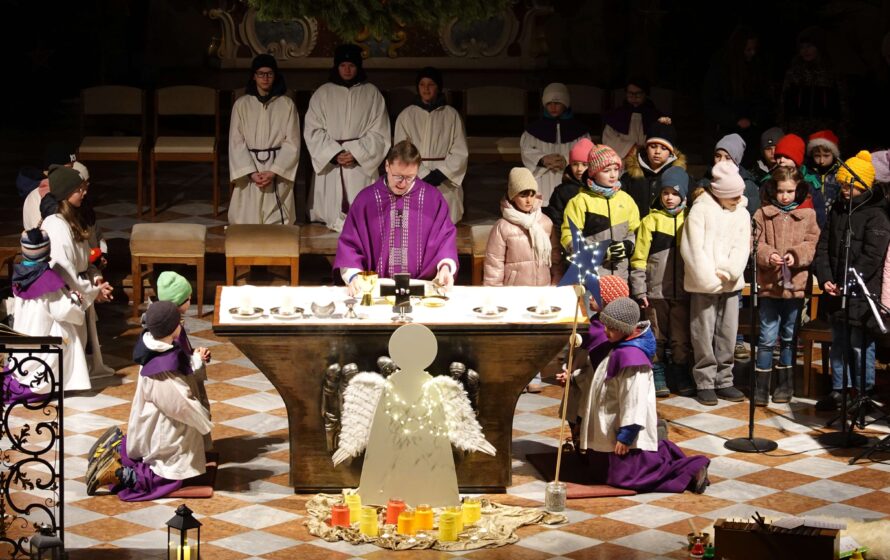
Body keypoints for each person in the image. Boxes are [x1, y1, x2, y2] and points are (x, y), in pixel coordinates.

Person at [572, 297, 710, 493]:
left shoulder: (632, 359)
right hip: (609, 426)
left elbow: (634, 401)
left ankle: (692, 469)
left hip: (622, 432)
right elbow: (600, 378)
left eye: (611, 327)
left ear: (625, 329)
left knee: (629, 478)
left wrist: (627, 435)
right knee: (600, 473)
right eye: (606, 325)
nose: (606, 331)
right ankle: (665, 452)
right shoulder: (618, 346)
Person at [86, 301, 212, 499]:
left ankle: (118, 447)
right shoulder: (162, 368)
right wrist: (203, 420)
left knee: (154, 454)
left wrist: (196, 359)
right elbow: (179, 405)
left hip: (159, 418)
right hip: (168, 429)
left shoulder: (157, 346)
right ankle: (117, 473)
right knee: (166, 475)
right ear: (173, 327)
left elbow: (180, 365)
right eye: (179, 321)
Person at [814, 151, 889, 411]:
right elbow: (823, 246)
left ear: (863, 185)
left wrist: (847, 282)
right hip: (836, 290)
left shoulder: (877, 215)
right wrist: (826, 278)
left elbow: (872, 256)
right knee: (839, 343)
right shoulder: (838, 209)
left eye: (849, 185)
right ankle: (839, 389)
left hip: (862, 291)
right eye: (842, 185)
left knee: (860, 345)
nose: (844, 190)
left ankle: (863, 393)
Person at [334, 140, 457, 293]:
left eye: (410, 177)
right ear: (387, 166)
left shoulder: (433, 199)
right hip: (376, 288)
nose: (403, 184)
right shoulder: (366, 200)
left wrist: (445, 268)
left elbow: (445, 240)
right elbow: (350, 244)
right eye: (398, 176)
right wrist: (353, 276)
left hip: (422, 288)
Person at [680, 161, 750, 406]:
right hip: (704, 284)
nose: (738, 199)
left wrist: (730, 271)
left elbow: (742, 247)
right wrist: (709, 279)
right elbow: (692, 248)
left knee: (728, 333)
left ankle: (724, 380)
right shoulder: (700, 210)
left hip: (730, 283)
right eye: (733, 195)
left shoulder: (742, 212)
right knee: (702, 333)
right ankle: (705, 382)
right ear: (719, 192)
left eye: (739, 194)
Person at [40, 165, 115, 387]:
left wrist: (97, 279)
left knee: (78, 343)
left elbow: (84, 260)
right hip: (64, 294)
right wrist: (93, 291)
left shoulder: (72, 219)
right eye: (78, 189)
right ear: (65, 193)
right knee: (68, 347)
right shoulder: (56, 225)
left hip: (80, 288)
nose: (84, 192)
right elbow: (64, 270)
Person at [305, 44, 391, 232]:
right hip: (332, 165)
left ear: (358, 67)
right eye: (343, 65)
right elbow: (313, 130)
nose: (347, 70)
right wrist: (334, 154)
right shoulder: (322, 93)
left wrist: (356, 153)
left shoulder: (372, 93)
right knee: (329, 216)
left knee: (364, 220)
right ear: (336, 66)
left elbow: (380, 133)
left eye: (351, 65)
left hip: (359, 164)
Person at [752, 167, 819, 406]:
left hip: (794, 286)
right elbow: (755, 242)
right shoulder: (762, 214)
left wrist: (795, 255)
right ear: (773, 190)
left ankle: (785, 385)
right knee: (767, 336)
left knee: (789, 336)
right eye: (781, 191)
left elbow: (812, 243)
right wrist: (768, 255)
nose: (785, 196)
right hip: (770, 285)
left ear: (798, 190)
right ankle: (761, 387)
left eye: (790, 191)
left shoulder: (807, 215)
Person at [630, 167, 695, 398]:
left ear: (683, 195)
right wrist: (640, 289)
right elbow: (639, 258)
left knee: (681, 337)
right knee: (656, 335)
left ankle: (680, 371)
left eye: (675, 193)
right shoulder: (650, 221)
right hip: (655, 291)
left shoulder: (690, 220)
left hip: (684, 291)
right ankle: (656, 371)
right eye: (665, 192)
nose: (669, 197)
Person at [6, 228, 86, 400]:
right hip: (43, 340)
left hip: (22, 337)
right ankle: (59, 383)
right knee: (66, 335)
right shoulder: (47, 279)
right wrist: (75, 300)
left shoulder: (19, 274)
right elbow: (62, 311)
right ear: (47, 251)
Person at [228, 54, 300, 225]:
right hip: (250, 166)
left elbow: (292, 142)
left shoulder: (287, 104)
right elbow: (236, 141)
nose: (265, 78)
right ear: (254, 76)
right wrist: (251, 173)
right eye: (261, 74)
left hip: (276, 165)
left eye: (269, 74)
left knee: (276, 222)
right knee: (246, 221)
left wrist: (274, 171)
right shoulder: (242, 104)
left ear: (275, 76)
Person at [393, 67, 468, 224]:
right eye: (422, 84)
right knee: (416, 222)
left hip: (444, 179)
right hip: (415, 177)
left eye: (431, 84)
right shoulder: (406, 115)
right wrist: (422, 173)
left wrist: (441, 173)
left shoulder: (451, 115)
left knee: (445, 219)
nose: (426, 89)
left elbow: (460, 150)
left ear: (438, 87)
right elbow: (402, 150)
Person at [561, 144, 640, 281]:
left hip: (621, 276)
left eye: (616, 169)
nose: (613, 175)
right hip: (590, 277)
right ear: (594, 173)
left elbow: (636, 232)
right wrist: (599, 251)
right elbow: (569, 237)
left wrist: (628, 245)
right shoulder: (580, 201)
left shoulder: (627, 200)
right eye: (606, 170)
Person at [702, 25, 774, 167]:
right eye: (748, 49)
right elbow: (711, 103)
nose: (752, 53)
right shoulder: (721, 70)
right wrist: (735, 120)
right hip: (725, 131)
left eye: (754, 49)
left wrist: (755, 119)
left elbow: (763, 99)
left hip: (750, 134)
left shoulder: (756, 68)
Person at [483, 167, 560, 287]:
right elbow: (494, 264)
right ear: (513, 196)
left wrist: (556, 283)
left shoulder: (545, 222)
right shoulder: (502, 227)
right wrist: (494, 293)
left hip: (543, 289)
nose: (529, 200)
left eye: (532, 195)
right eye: (523, 196)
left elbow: (555, 258)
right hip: (515, 291)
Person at [520, 83, 590, 204]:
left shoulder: (579, 131)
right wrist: (542, 159)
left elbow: (586, 151)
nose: (552, 107)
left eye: (557, 103)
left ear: (565, 103)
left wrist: (567, 161)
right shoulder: (533, 130)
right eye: (549, 103)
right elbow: (526, 150)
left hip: (569, 178)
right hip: (543, 178)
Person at [155, 271, 211, 423]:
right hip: (179, 390)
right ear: (178, 302)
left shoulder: (173, 323)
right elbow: (177, 364)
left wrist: (194, 352)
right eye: (188, 298)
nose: (190, 300)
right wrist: (197, 358)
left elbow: (183, 352)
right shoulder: (170, 332)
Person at [779, 26, 849, 143]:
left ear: (818, 47)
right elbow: (783, 103)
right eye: (802, 47)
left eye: (809, 46)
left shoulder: (831, 73)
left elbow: (842, 105)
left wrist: (841, 133)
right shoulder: (794, 73)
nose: (805, 51)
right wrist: (783, 129)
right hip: (797, 131)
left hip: (824, 132)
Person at [622, 122, 687, 217]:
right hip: (636, 225)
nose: (657, 151)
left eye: (664, 148)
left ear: (670, 152)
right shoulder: (630, 177)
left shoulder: (679, 177)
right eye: (653, 147)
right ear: (646, 148)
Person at [769, 133, 826, 227]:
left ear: (797, 159)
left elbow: (819, 217)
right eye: (778, 156)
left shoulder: (810, 183)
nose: (781, 160)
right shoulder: (770, 181)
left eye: (787, 157)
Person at [602, 78, 665, 159]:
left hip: (649, 159)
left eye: (638, 94)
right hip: (622, 158)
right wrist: (630, 148)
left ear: (645, 93)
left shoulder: (656, 116)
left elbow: (663, 140)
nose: (634, 97)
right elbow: (608, 138)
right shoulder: (616, 115)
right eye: (630, 93)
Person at [700, 133, 761, 215]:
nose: (721, 161)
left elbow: (754, 213)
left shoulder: (748, 185)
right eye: (717, 156)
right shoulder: (705, 182)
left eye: (728, 158)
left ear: (737, 160)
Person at [543, 137, 593, 229]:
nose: (579, 169)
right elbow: (556, 222)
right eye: (575, 164)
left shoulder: (602, 189)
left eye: (585, 164)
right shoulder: (561, 191)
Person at [805, 129, 841, 211]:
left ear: (834, 154)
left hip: (835, 215)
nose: (821, 161)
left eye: (826, 156)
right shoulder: (806, 172)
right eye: (817, 156)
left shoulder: (841, 172)